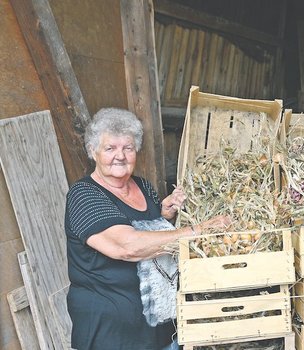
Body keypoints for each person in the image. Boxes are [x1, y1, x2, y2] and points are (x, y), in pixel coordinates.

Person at [64, 108, 230, 350]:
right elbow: (128, 246)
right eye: (110, 148)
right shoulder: (85, 195)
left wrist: (164, 215)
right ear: (93, 151)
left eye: (127, 148)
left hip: (162, 332)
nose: (119, 156)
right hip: (112, 336)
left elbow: (150, 234)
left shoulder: (143, 186)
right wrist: (199, 230)